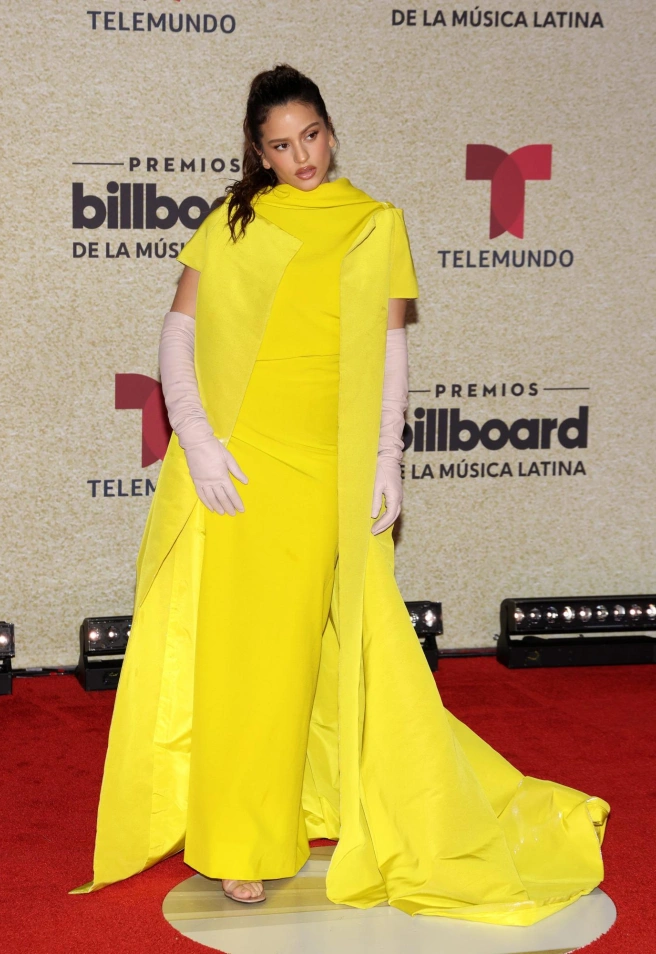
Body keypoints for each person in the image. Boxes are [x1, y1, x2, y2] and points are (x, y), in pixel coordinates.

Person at [71, 65, 609, 921]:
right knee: (251, 660)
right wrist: (201, 442)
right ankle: (241, 846)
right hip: (246, 468)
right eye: (280, 146)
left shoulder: (374, 223)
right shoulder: (234, 223)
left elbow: (392, 353)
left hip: (333, 467)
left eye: (310, 136)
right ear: (258, 150)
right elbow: (177, 339)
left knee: (335, 655)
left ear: (330, 128)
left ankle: (336, 805)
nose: (301, 157)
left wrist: (387, 458)